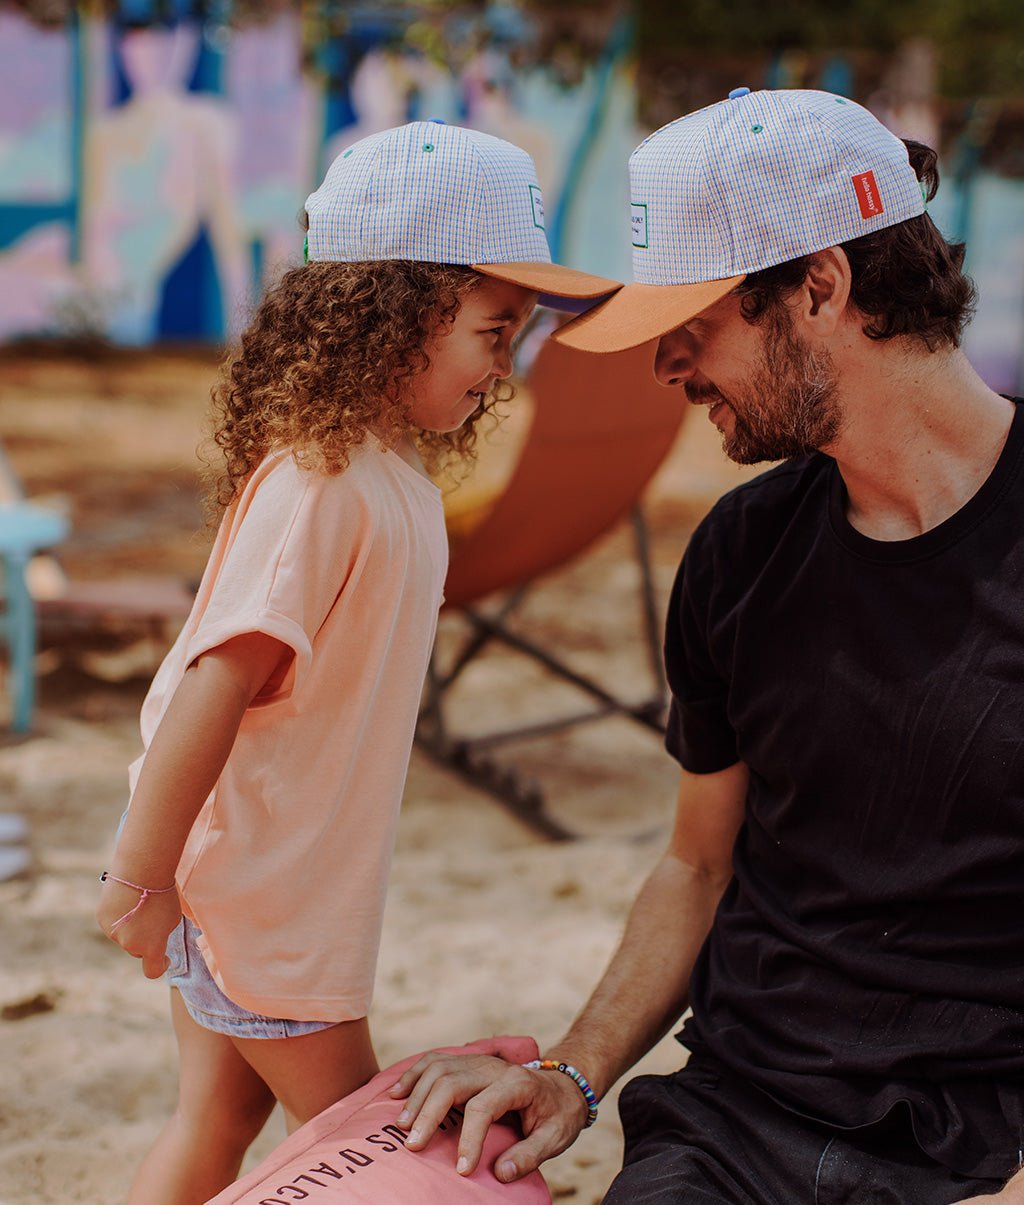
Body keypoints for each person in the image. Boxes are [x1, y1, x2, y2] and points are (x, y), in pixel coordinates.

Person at [390, 88, 1024, 1204]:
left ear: (819, 285)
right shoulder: (739, 551)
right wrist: (572, 1071)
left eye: (693, 322)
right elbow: (697, 862)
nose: (666, 367)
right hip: (735, 1124)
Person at [96, 118, 619, 1205]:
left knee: (214, 1122)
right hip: (268, 903)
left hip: (279, 887)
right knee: (378, 1152)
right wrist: (140, 877)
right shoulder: (320, 483)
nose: (505, 364)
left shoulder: (389, 478)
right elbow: (215, 681)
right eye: (493, 329)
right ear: (394, 313)